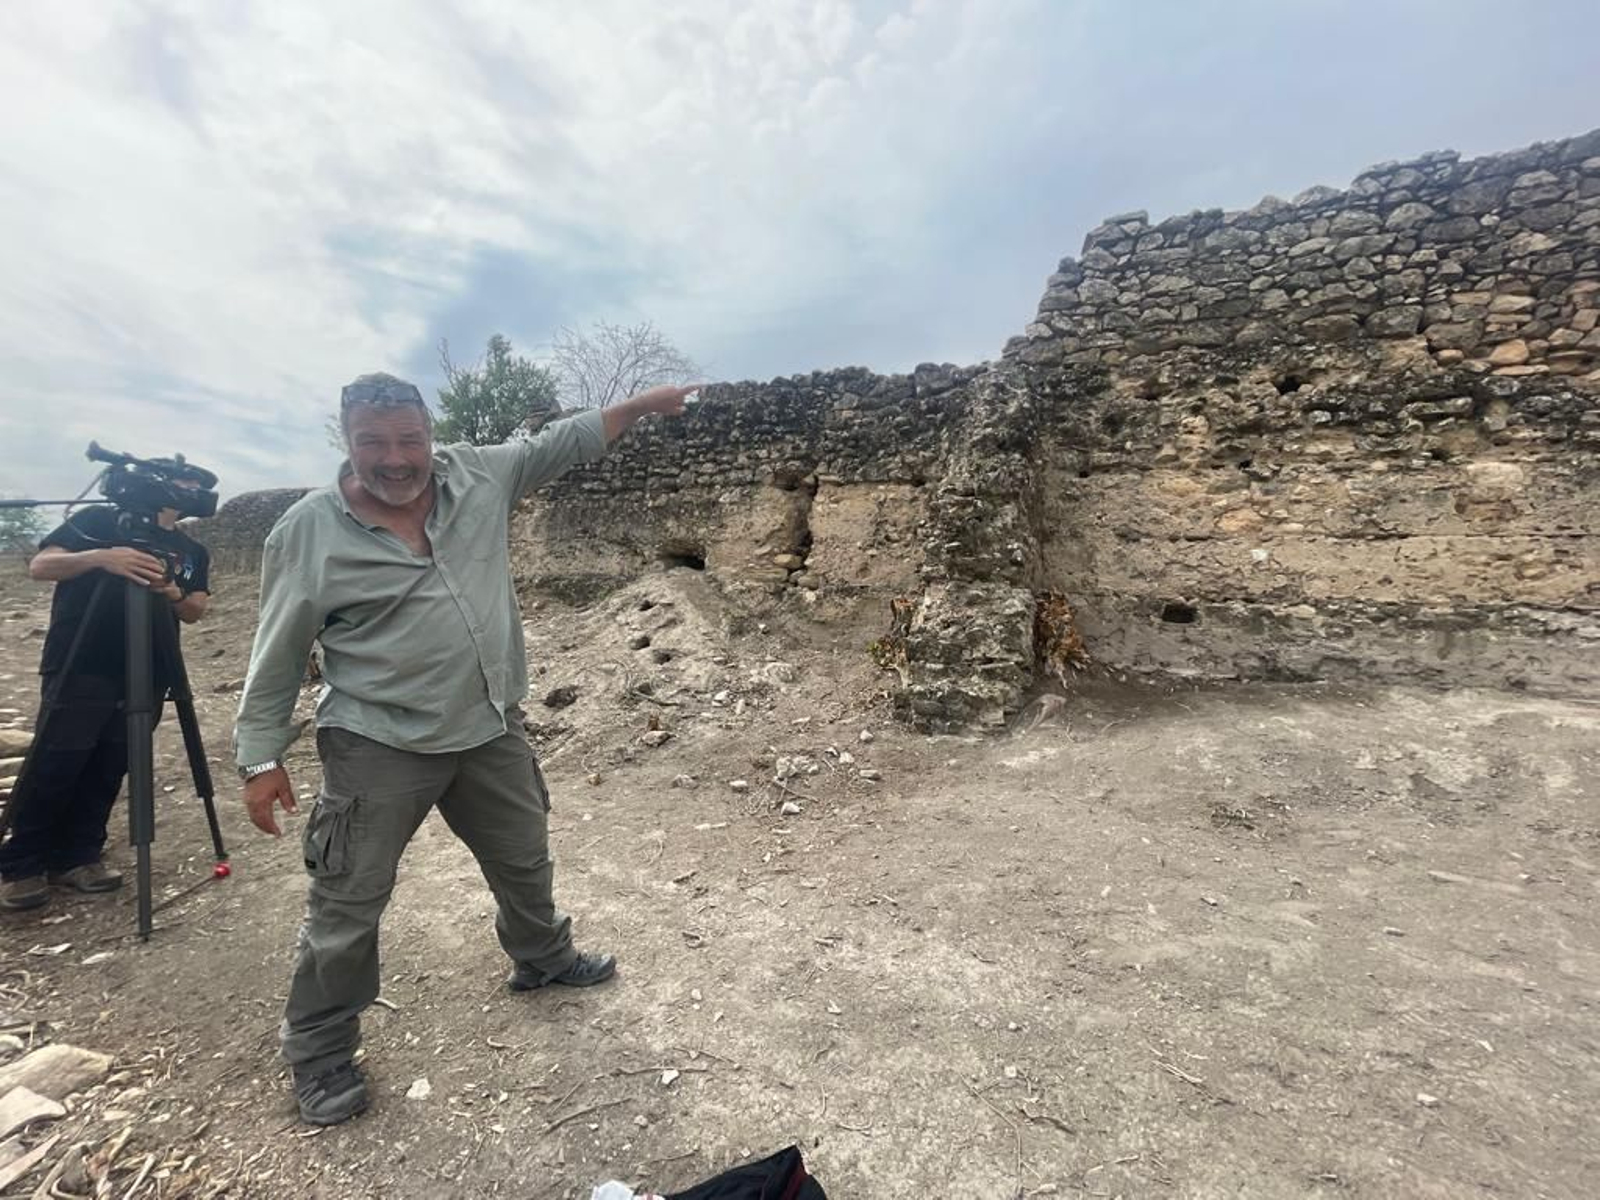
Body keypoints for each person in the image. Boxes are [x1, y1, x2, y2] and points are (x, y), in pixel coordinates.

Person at [235, 372, 698, 1126]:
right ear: (346, 442)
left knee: (523, 853)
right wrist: (260, 758)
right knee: (347, 903)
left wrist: (641, 407)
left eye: (409, 439)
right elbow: (278, 648)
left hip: (488, 725)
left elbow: (561, 442)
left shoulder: (477, 473)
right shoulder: (307, 530)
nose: (394, 458)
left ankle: (542, 958)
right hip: (377, 738)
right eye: (373, 442)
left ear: (429, 435)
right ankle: (319, 1051)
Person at [0, 501, 211, 911]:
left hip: (149, 669)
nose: (190, 489)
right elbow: (41, 566)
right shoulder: (99, 521)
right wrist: (103, 558)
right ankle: (24, 861)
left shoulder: (191, 551)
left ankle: (79, 856)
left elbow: (195, 610)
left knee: (113, 762)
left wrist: (170, 591)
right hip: (82, 661)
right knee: (56, 761)